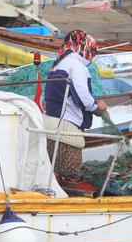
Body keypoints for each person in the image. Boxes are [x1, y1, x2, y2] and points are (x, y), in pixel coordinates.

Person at [43, 30, 107, 182]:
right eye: (92, 53)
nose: (92, 57)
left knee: (53, 174)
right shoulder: (77, 67)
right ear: (83, 49)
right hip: (66, 132)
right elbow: (83, 98)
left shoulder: (58, 64)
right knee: (68, 177)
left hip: (49, 125)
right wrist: (98, 106)